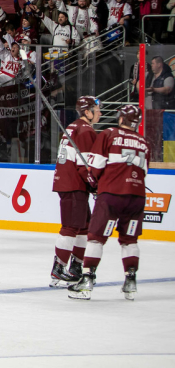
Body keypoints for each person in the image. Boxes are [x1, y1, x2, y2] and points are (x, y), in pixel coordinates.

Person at [69, 105, 148, 301]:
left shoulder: (109, 134)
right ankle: (130, 281)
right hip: (137, 196)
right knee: (130, 240)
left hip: (112, 194)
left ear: (121, 119)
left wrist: (94, 184)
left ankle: (86, 280)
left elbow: (96, 167)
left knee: (96, 237)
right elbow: (144, 170)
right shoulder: (143, 142)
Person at [50, 96, 100, 288]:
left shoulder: (74, 127)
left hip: (69, 182)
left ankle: (76, 266)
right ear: (87, 112)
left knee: (84, 226)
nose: (100, 113)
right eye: (96, 109)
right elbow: (84, 167)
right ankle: (59, 268)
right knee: (71, 226)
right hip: (73, 183)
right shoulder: (86, 131)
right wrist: (95, 185)